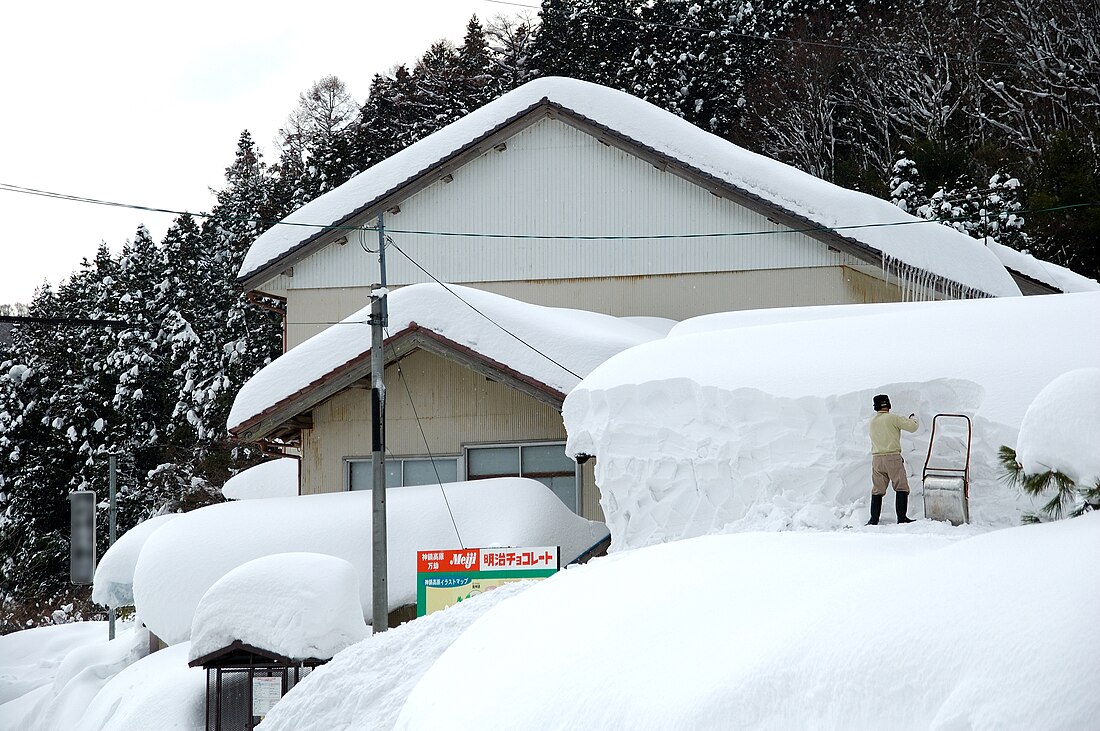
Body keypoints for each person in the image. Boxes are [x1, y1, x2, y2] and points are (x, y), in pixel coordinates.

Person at [867, 394, 919, 525]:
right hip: (892, 458)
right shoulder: (893, 418)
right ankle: (902, 518)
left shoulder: (872, 421)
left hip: (877, 459)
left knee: (877, 490)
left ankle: (873, 520)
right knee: (901, 487)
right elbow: (912, 427)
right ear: (888, 404)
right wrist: (914, 419)